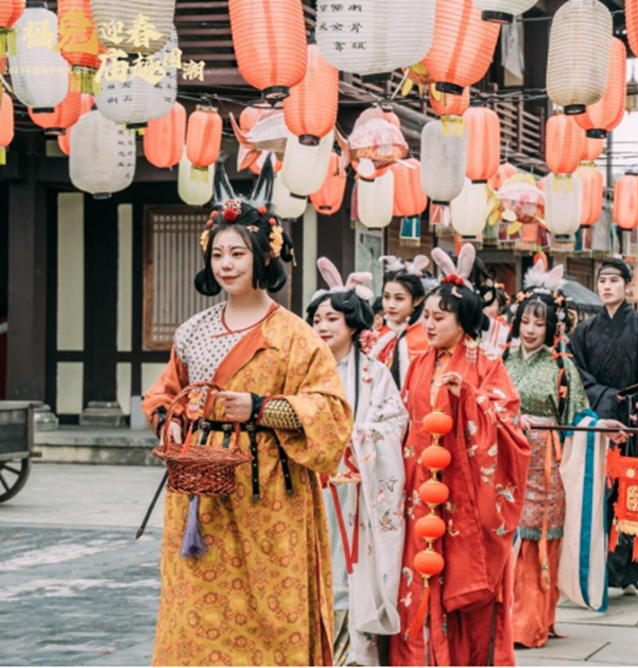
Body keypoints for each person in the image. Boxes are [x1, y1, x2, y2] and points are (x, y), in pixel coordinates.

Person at [142, 160, 353, 665]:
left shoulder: (295, 335)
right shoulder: (193, 330)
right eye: (218, 254)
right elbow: (161, 395)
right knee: (196, 610)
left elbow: (332, 413)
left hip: (269, 498)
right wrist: (170, 421)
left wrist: (261, 409)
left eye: (238, 252)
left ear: (264, 256)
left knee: (270, 613)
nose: (226, 264)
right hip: (200, 494)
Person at [391, 245, 530, 667]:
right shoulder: (417, 363)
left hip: (465, 496)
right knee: (417, 574)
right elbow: (400, 419)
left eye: (438, 318)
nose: (427, 325)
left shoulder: (487, 364)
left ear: (463, 320)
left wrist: (468, 399)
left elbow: (507, 425)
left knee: (459, 579)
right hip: (419, 491)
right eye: (426, 316)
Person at [502, 261, 625, 648]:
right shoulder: (501, 361)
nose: (530, 330)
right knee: (507, 536)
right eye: (525, 322)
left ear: (553, 328)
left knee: (539, 536)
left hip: (545, 462)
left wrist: (600, 425)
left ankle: (532, 621)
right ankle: (507, 619)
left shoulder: (562, 366)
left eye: (539, 324)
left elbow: (578, 417)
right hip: (506, 457)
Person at [308, 259, 407, 665]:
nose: (322, 327)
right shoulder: (302, 370)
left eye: (332, 318)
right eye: (316, 319)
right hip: (311, 484)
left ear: (352, 323)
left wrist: (359, 438)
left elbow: (395, 420)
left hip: (355, 489)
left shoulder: (375, 373)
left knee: (351, 571)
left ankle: (353, 656)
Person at [569, 257, 638, 590]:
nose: (606, 286)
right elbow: (577, 376)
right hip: (598, 423)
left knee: (630, 496)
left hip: (633, 426)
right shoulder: (584, 331)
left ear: (627, 286)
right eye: (602, 280)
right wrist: (606, 400)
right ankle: (596, 567)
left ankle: (628, 569)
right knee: (597, 497)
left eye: (614, 280)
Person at [371, 255, 432, 388]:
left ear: (417, 300)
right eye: (386, 297)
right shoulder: (378, 334)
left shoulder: (428, 337)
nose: (390, 305)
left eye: (399, 298)